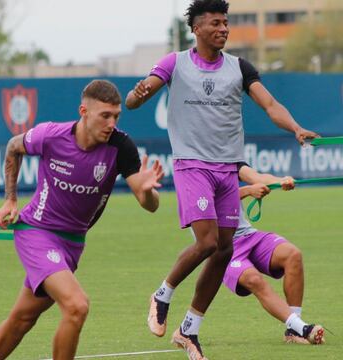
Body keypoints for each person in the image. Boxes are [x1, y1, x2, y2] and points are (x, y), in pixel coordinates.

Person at [125, 1, 319, 358]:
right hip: (192, 165)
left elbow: (271, 104)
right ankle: (163, 293)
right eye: (216, 23)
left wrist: (294, 128)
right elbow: (136, 99)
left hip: (227, 168)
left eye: (226, 23)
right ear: (197, 29)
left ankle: (189, 330)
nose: (224, 28)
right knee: (208, 242)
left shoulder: (239, 68)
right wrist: (137, 96)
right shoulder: (175, 63)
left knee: (224, 248)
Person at [0, 79, 164, 360]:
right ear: (83, 111)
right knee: (77, 306)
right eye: (105, 115)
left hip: (72, 245)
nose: (111, 123)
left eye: (116, 116)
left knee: (22, 319)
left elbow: (147, 204)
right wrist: (11, 199)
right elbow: (13, 147)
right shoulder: (51, 135)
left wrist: (148, 190)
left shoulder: (121, 146)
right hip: (37, 233)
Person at [224, 163, 324, 345]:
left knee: (293, 254)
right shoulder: (196, 169)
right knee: (253, 279)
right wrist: (247, 191)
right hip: (222, 247)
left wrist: (281, 181)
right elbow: (210, 203)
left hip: (248, 235)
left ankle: (294, 331)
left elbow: (259, 178)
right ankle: (302, 327)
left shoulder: (231, 161)